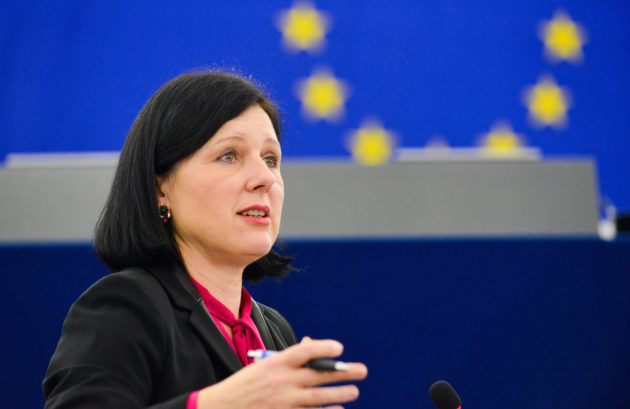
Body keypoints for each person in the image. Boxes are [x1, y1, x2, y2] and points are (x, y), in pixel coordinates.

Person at [43, 70, 368, 408]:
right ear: (160, 189)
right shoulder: (125, 306)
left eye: (270, 159)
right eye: (229, 155)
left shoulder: (273, 329)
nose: (264, 178)